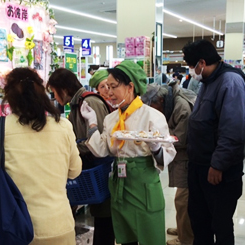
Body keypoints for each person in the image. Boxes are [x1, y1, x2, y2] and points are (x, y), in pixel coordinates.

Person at [0, 67, 82, 245]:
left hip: (15, 230)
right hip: (59, 227)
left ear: (9, 97)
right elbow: (75, 171)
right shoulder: (63, 126)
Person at [80, 60, 176, 245]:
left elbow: (168, 154)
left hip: (144, 183)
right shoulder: (111, 119)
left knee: (151, 236)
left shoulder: (152, 116)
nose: (108, 92)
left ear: (130, 86)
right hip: (120, 184)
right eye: (106, 87)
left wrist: (156, 147)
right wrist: (92, 123)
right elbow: (102, 149)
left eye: (113, 87)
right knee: (125, 236)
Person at [182, 39, 245, 245]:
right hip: (200, 167)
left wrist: (218, 164)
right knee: (199, 221)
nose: (191, 71)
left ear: (201, 62)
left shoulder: (230, 82)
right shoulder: (207, 82)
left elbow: (233, 130)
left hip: (219, 172)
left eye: (191, 66)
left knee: (220, 225)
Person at [47, 68, 115, 245]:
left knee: (104, 219)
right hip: (90, 169)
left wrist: (72, 147)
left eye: (54, 91)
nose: (55, 97)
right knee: (99, 217)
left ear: (63, 88)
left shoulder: (89, 102)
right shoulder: (76, 104)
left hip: (101, 170)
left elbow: (99, 142)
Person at [141, 82, 195, 245]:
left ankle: (186, 239)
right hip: (183, 155)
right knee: (183, 198)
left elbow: (179, 138)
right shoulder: (172, 102)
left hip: (189, 157)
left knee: (183, 199)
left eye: (153, 106)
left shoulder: (181, 107)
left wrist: (156, 138)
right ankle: (183, 228)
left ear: (161, 100)